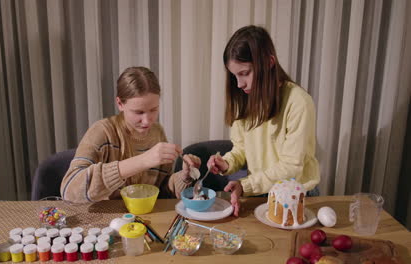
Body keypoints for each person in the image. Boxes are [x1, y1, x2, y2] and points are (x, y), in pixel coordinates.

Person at [207, 25, 320, 216]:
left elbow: (291, 167)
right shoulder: (245, 99)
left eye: (245, 73)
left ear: (269, 62)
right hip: (263, 194)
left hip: (298, 197)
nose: (239, 84)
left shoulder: (298, 102)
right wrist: (226, 163)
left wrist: (246, 185)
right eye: (234, 75)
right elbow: (241, 148)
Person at [61, 66, 200, 203]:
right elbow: (69, 191)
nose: (147, 121)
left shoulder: (157, 132)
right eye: (138, 112)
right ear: (120, 103)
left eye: (154, 110)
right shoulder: (102, 131)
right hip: (108, 220)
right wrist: (143, 160)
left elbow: (161, 192)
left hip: (145, 217)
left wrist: (184, 177)